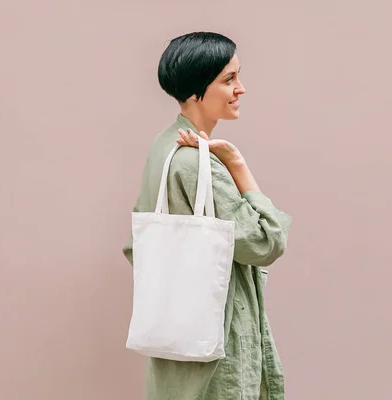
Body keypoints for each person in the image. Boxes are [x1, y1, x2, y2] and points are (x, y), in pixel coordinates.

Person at [122, 32, 293, 400]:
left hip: (176, 350)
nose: (240, 89)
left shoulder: (163, 147)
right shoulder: (198, 163)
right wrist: (238, 165)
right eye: (228, 79)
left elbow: (137, 244)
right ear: (198, 90)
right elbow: (266, 241)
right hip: (217, 355)